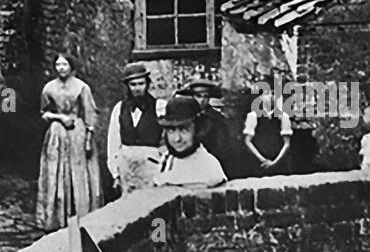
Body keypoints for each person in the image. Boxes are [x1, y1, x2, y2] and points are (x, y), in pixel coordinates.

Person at [35, 53, 104, 230]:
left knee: (79, 172)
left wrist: (88, 137)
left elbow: (90, 112)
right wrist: (59, 117)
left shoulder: (82, 87)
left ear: (71, 67)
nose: (61, 68)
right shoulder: (49, 88)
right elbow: (44, 113)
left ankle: (82, 216)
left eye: (65, 64)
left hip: (77, 132)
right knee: (56, 172)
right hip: (57, 133)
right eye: (58, 65)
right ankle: (55, 218)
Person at [106, 62, 164, 196]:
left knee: (153, 206)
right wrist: (115, 172)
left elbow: (167, 140)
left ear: (147, 84)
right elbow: (113, 142)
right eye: (133, 85)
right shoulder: (120, 108)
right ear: (127, 86)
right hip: (127, 167)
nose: (137, 88)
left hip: (151, 166)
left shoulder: (159, 107)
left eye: (141, 84)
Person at [153, 96, 227, 187]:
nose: (177, 139)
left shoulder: (209, 166)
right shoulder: (167, 160)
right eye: (171, 130)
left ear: (197, 130)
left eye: (184, 130)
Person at [175, 80, 234, 174]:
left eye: (205, 96)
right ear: (192, 97)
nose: (202, 100)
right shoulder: (184, 116)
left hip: (211, 164)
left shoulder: (217, 119)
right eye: (198, 96)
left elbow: (223, 148)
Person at [242, 83, 293, 175]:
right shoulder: (253, 116)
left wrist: (274, 162)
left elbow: (287, 143)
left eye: (274, 94)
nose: (271, 96)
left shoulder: (283, 117)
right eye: (267, 94)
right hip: (259, 165)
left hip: (280, 165)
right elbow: (248, 141)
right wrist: (262, 160)